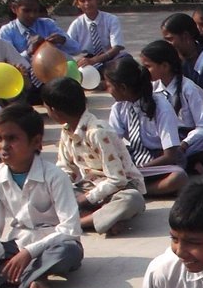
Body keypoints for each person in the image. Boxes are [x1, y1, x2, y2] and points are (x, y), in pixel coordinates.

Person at [0, 103, 84, 288]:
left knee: (69, 252)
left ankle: (9, 275)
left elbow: (70, 229)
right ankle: (31, 276)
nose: (3, 146)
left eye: (12, 139)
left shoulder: (55, 176)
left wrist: (29, 252)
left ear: (36, 142)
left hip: (52, 246)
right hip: (17, 245)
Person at [42, 76, 146, 237]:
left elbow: (118, 180)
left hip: (120, 188)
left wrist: (84, 200)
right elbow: (65, 169)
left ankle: (80, 222)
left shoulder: (98, 132)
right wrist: (57, 190)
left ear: (54, 111)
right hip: (89, 187)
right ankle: (105, 219)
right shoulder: (67, 131)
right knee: (45, 196)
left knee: (132, 200)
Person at [105, 54, 188, 197]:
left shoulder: (161, 107)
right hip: (134, 158)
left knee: (178, 177)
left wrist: (137, 170)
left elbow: (170, 155)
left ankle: (137, 189)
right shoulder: (118, 108)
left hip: (159, 161)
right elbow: (113, 142)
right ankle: (133, 185)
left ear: (123, 88)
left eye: (109, 86)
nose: (107, 90)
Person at [139, 39, 203, 173]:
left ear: (165, 66)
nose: (144, 71)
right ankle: (183, 164)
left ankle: (178, 163)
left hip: (186, 139)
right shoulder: (152, 88)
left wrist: (184, 144)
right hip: (164, 139)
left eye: (148, 66)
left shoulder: (189, 89)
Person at [66, 0, 125, 69]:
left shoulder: (111, 19)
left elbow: (117, 47)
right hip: (87, 61)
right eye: (82, 1)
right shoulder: (76, 24)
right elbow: (68, 47)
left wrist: (95, 60)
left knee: (125, 60)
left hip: (109, 58)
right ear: (77, 4)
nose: (87, 3)